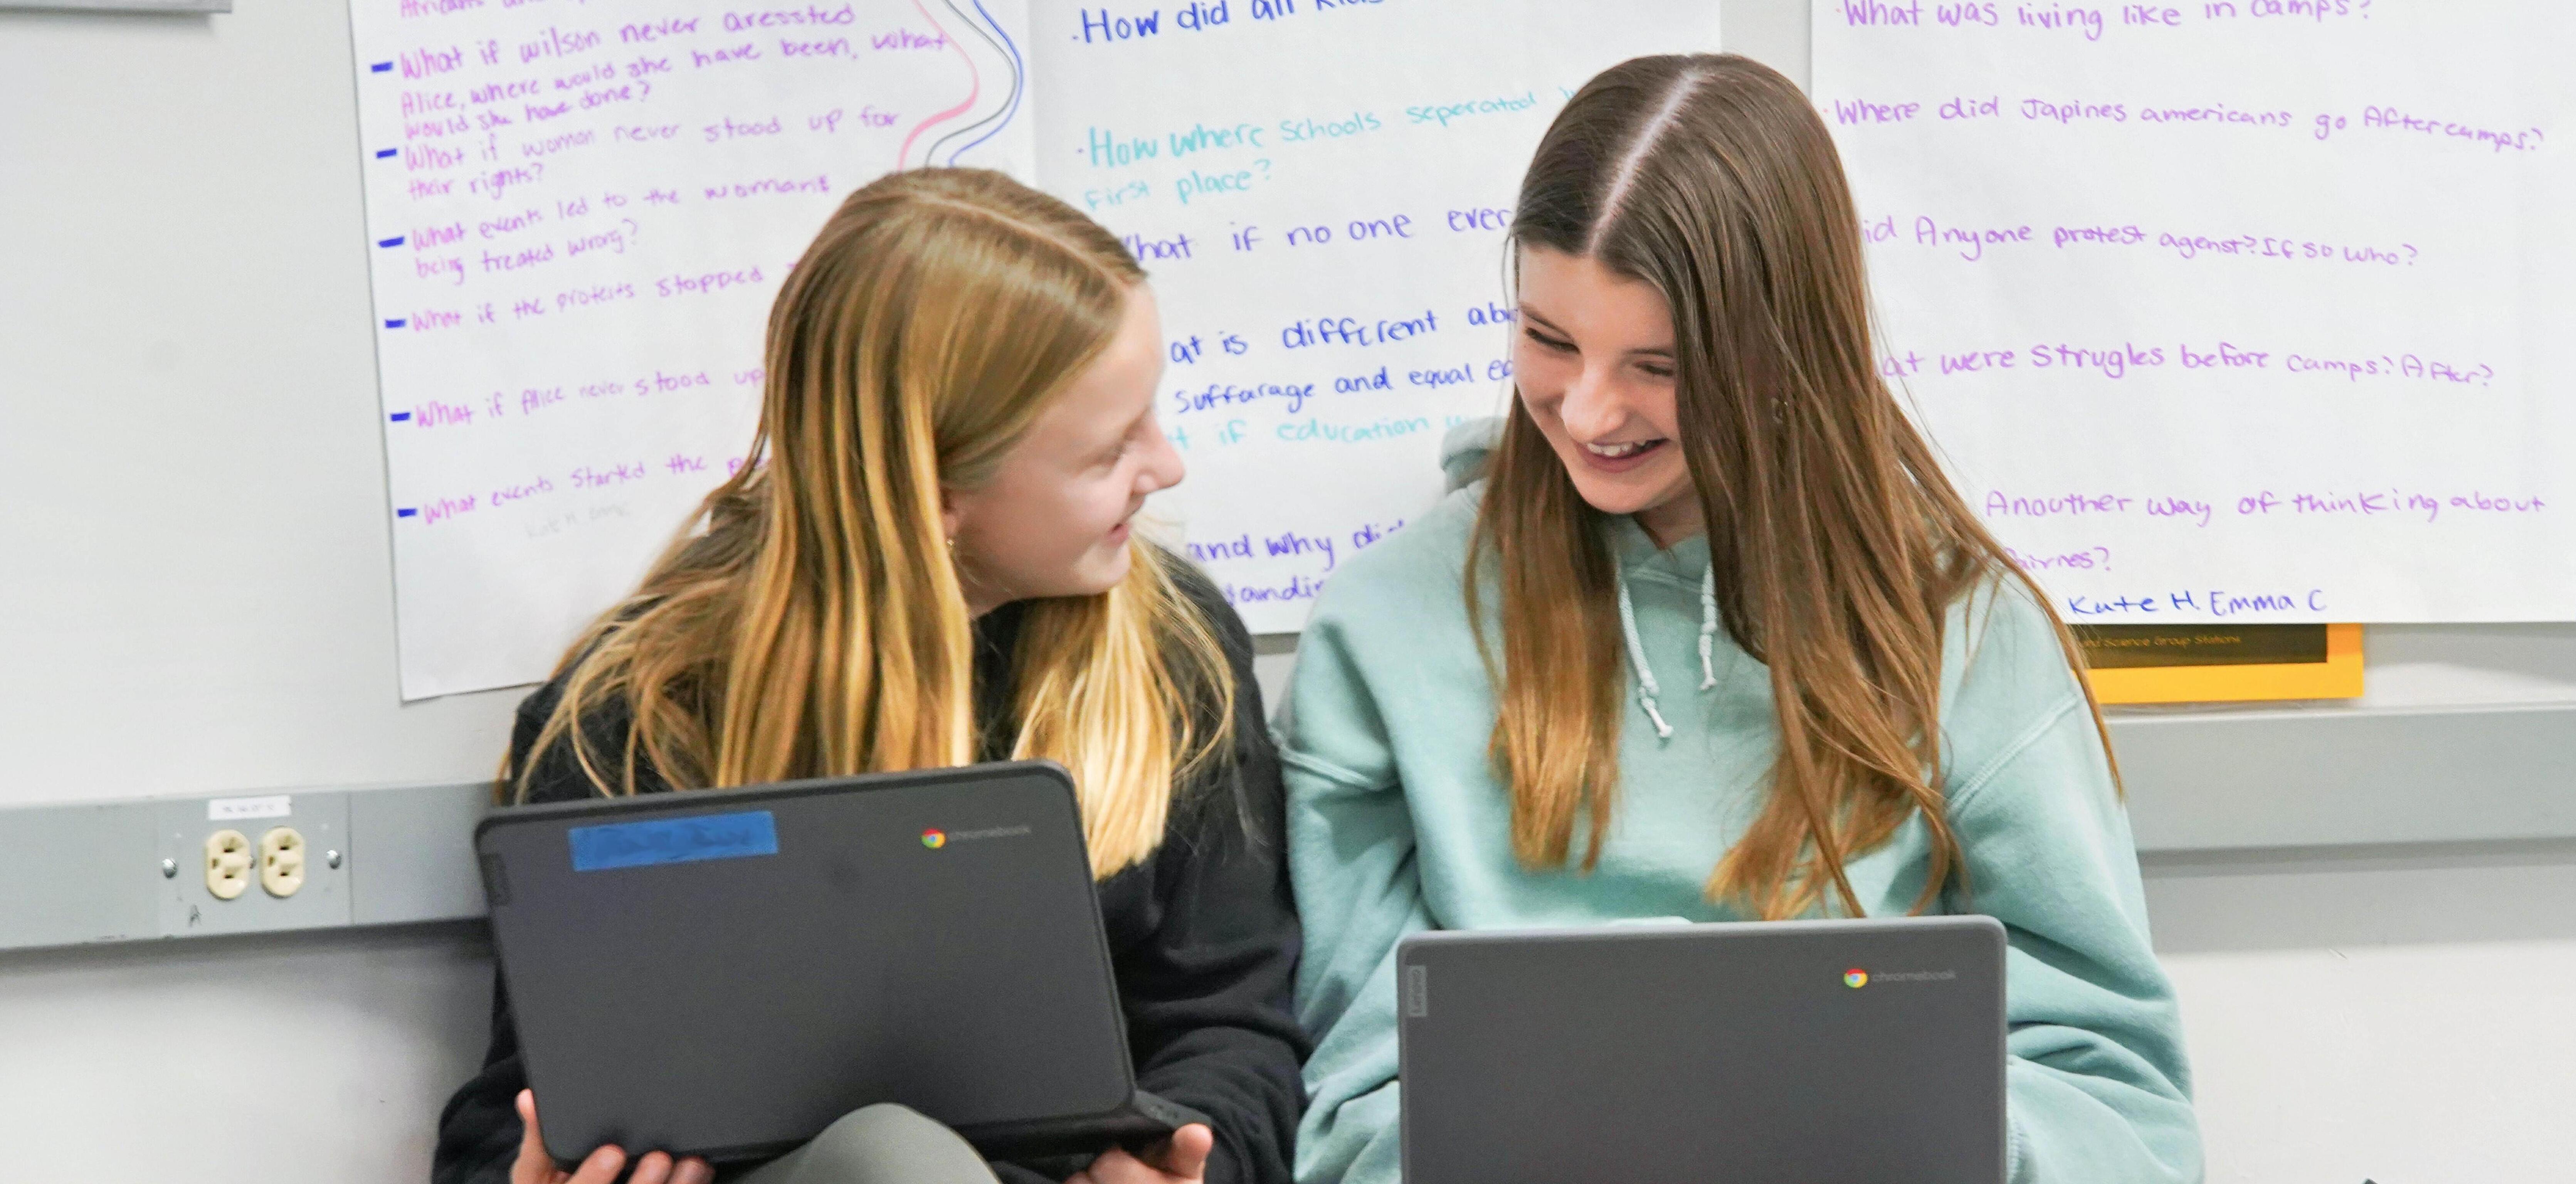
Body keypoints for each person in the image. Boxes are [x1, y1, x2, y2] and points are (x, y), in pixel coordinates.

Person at [1283, 54, 2202, 1183]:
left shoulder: (1964, 630)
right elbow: (1355, 1091)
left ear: (1784, 351)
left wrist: (1938, 1143)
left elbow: (2124, 1105)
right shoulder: (1386, 628)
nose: (1587, 410)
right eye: (1550, 341)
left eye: (1659, 367)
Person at [430, 169, 1307, 1184]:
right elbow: (520, 1109)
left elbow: (1236, 1032)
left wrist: (1195, 1155)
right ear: (932, 492)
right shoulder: (643, 710)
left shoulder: (1173, 654)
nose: (1167, 466)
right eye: (1110, 450)